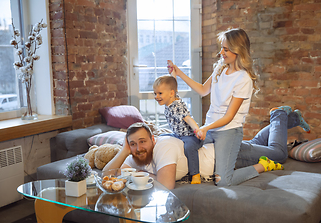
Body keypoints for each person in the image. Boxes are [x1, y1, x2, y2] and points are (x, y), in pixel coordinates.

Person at [103, 107, 310, 190]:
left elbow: (166, 185)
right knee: (257, 144)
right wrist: (123, 151)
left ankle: (279, 115)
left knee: (280, 154)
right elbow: (108, 174)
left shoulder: (162, 147)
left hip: (227, 156)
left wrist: (134, 176)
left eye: (142, 141)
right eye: (133, 144)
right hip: (224, 150)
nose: (139, 147)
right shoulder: (136, 154)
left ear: (153, 139)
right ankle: (286, 120)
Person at [166, 28, 259, 186]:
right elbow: (203, 90)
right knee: (185, 143)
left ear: (238, 50)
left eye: (226, 49)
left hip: (228, 131)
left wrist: (205, 128)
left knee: (223, 182)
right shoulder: (220, 68)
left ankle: (262, 166)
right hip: (210, 126)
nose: (221, 52)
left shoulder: (244, 79)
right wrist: (178, 73)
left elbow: (229, 117)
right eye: (222, 47)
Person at [153, 75, 203, 184]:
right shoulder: (170, 100)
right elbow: (172, 86)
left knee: (189, 147)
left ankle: (195, 174)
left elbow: (188, 119)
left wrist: (197, 130)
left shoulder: (177, 106)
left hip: (190, 135)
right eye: (155, 93)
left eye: (160, 93)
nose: (156, 96)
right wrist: (173, 73)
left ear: (171, 93)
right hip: (178, 134)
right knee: (161, 137)